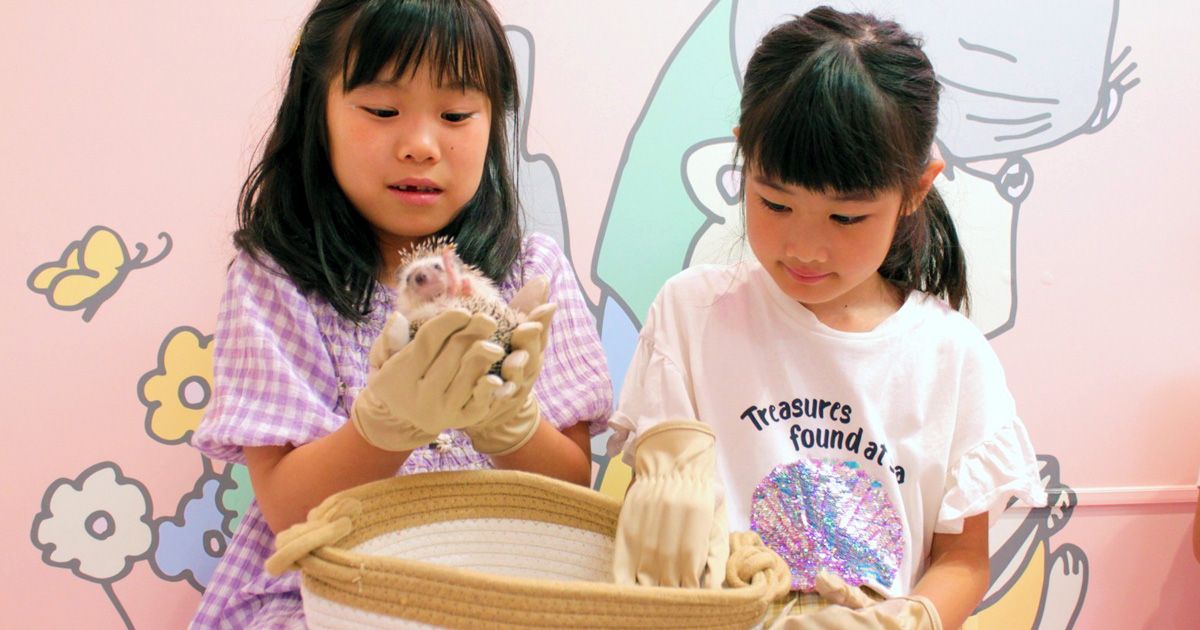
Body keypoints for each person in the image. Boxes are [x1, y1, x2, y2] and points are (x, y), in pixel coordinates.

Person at [608, 6, 1045, 629]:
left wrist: (907, 618)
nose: (805, 247)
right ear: (743, 160)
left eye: (846, 218)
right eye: (775, 203)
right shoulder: (693, 315)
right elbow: (652, 520)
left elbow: (963, 558)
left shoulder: (952, 357)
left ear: (916, 190)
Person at [190, 1, 611, 626]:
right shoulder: (276, 279)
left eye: (456, 114)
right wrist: (385, 426)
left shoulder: (531, 271)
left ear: (493, 123)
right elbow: (288, 511)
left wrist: (510, 426)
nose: (419, 145)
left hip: (508, 585)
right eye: (383, 111)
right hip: (327, 593)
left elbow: (572, 491)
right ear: (318, 112)